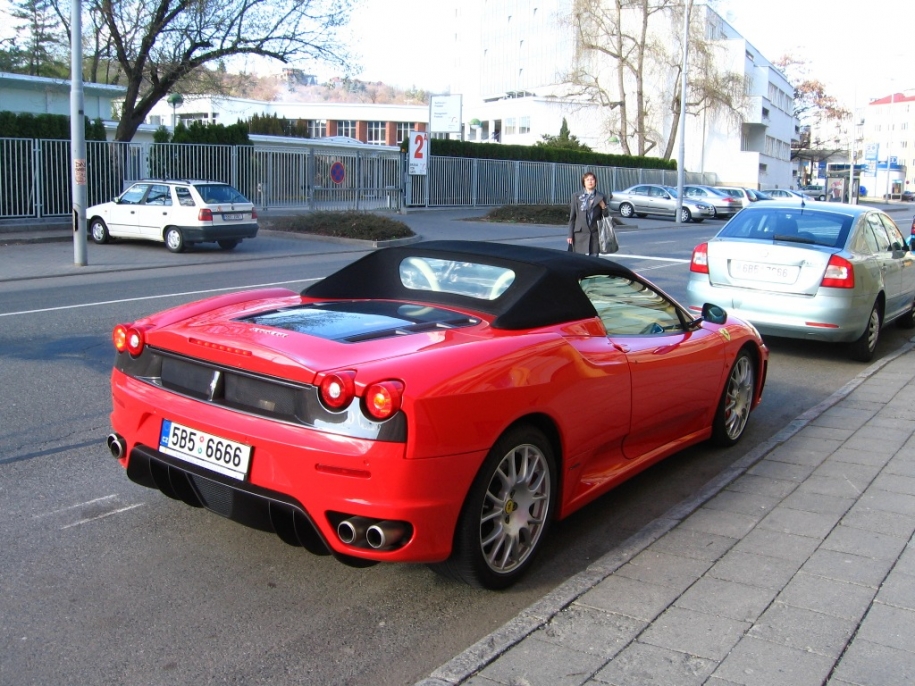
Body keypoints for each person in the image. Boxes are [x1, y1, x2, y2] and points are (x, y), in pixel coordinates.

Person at [568, 172, 610, 256]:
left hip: (595, 234)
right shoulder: (576, 196)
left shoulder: (601, 196)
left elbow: (606, 217)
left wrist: (603, 207)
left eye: (592, 179)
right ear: (584, 182)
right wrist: (570, 235)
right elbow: (572, 217)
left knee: (593, 261)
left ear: (595, 182)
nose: (590, 181)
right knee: (580, 261)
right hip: (580, 234)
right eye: (587, 180)